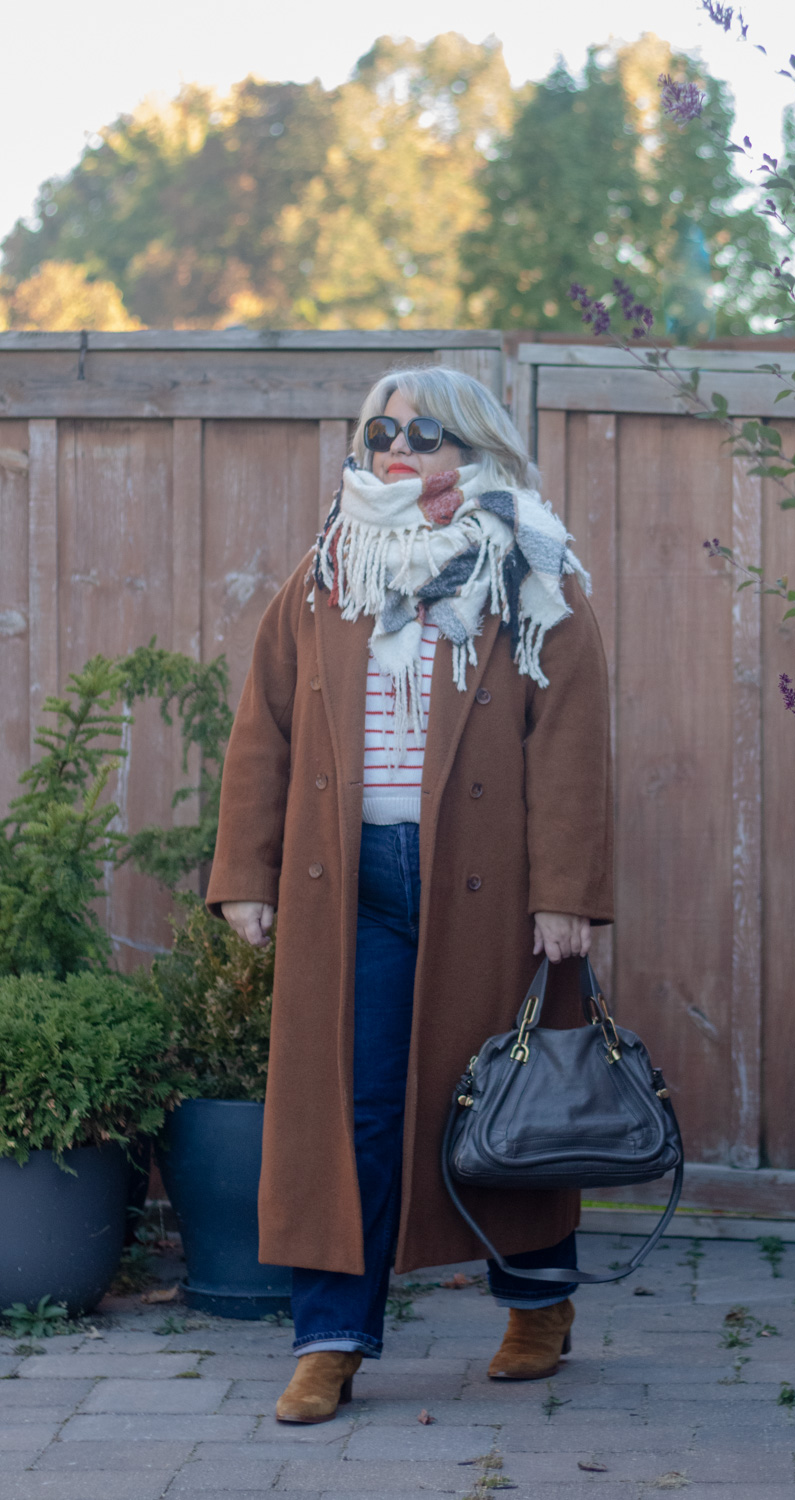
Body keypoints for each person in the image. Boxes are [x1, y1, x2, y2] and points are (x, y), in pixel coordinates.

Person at [207, 364, 614, 1424]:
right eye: (380, 429)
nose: (395, 445)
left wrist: (566, 893)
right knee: (353, 1110)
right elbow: (266, 733)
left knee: (506, 1100)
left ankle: (537, 1304)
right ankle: (332, 1339)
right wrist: (245, 875)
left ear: (471, 447)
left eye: (421, 430)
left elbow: (569, 748)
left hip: (488, 886)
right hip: (349, 884)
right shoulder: (328, 569)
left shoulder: (531, 566)